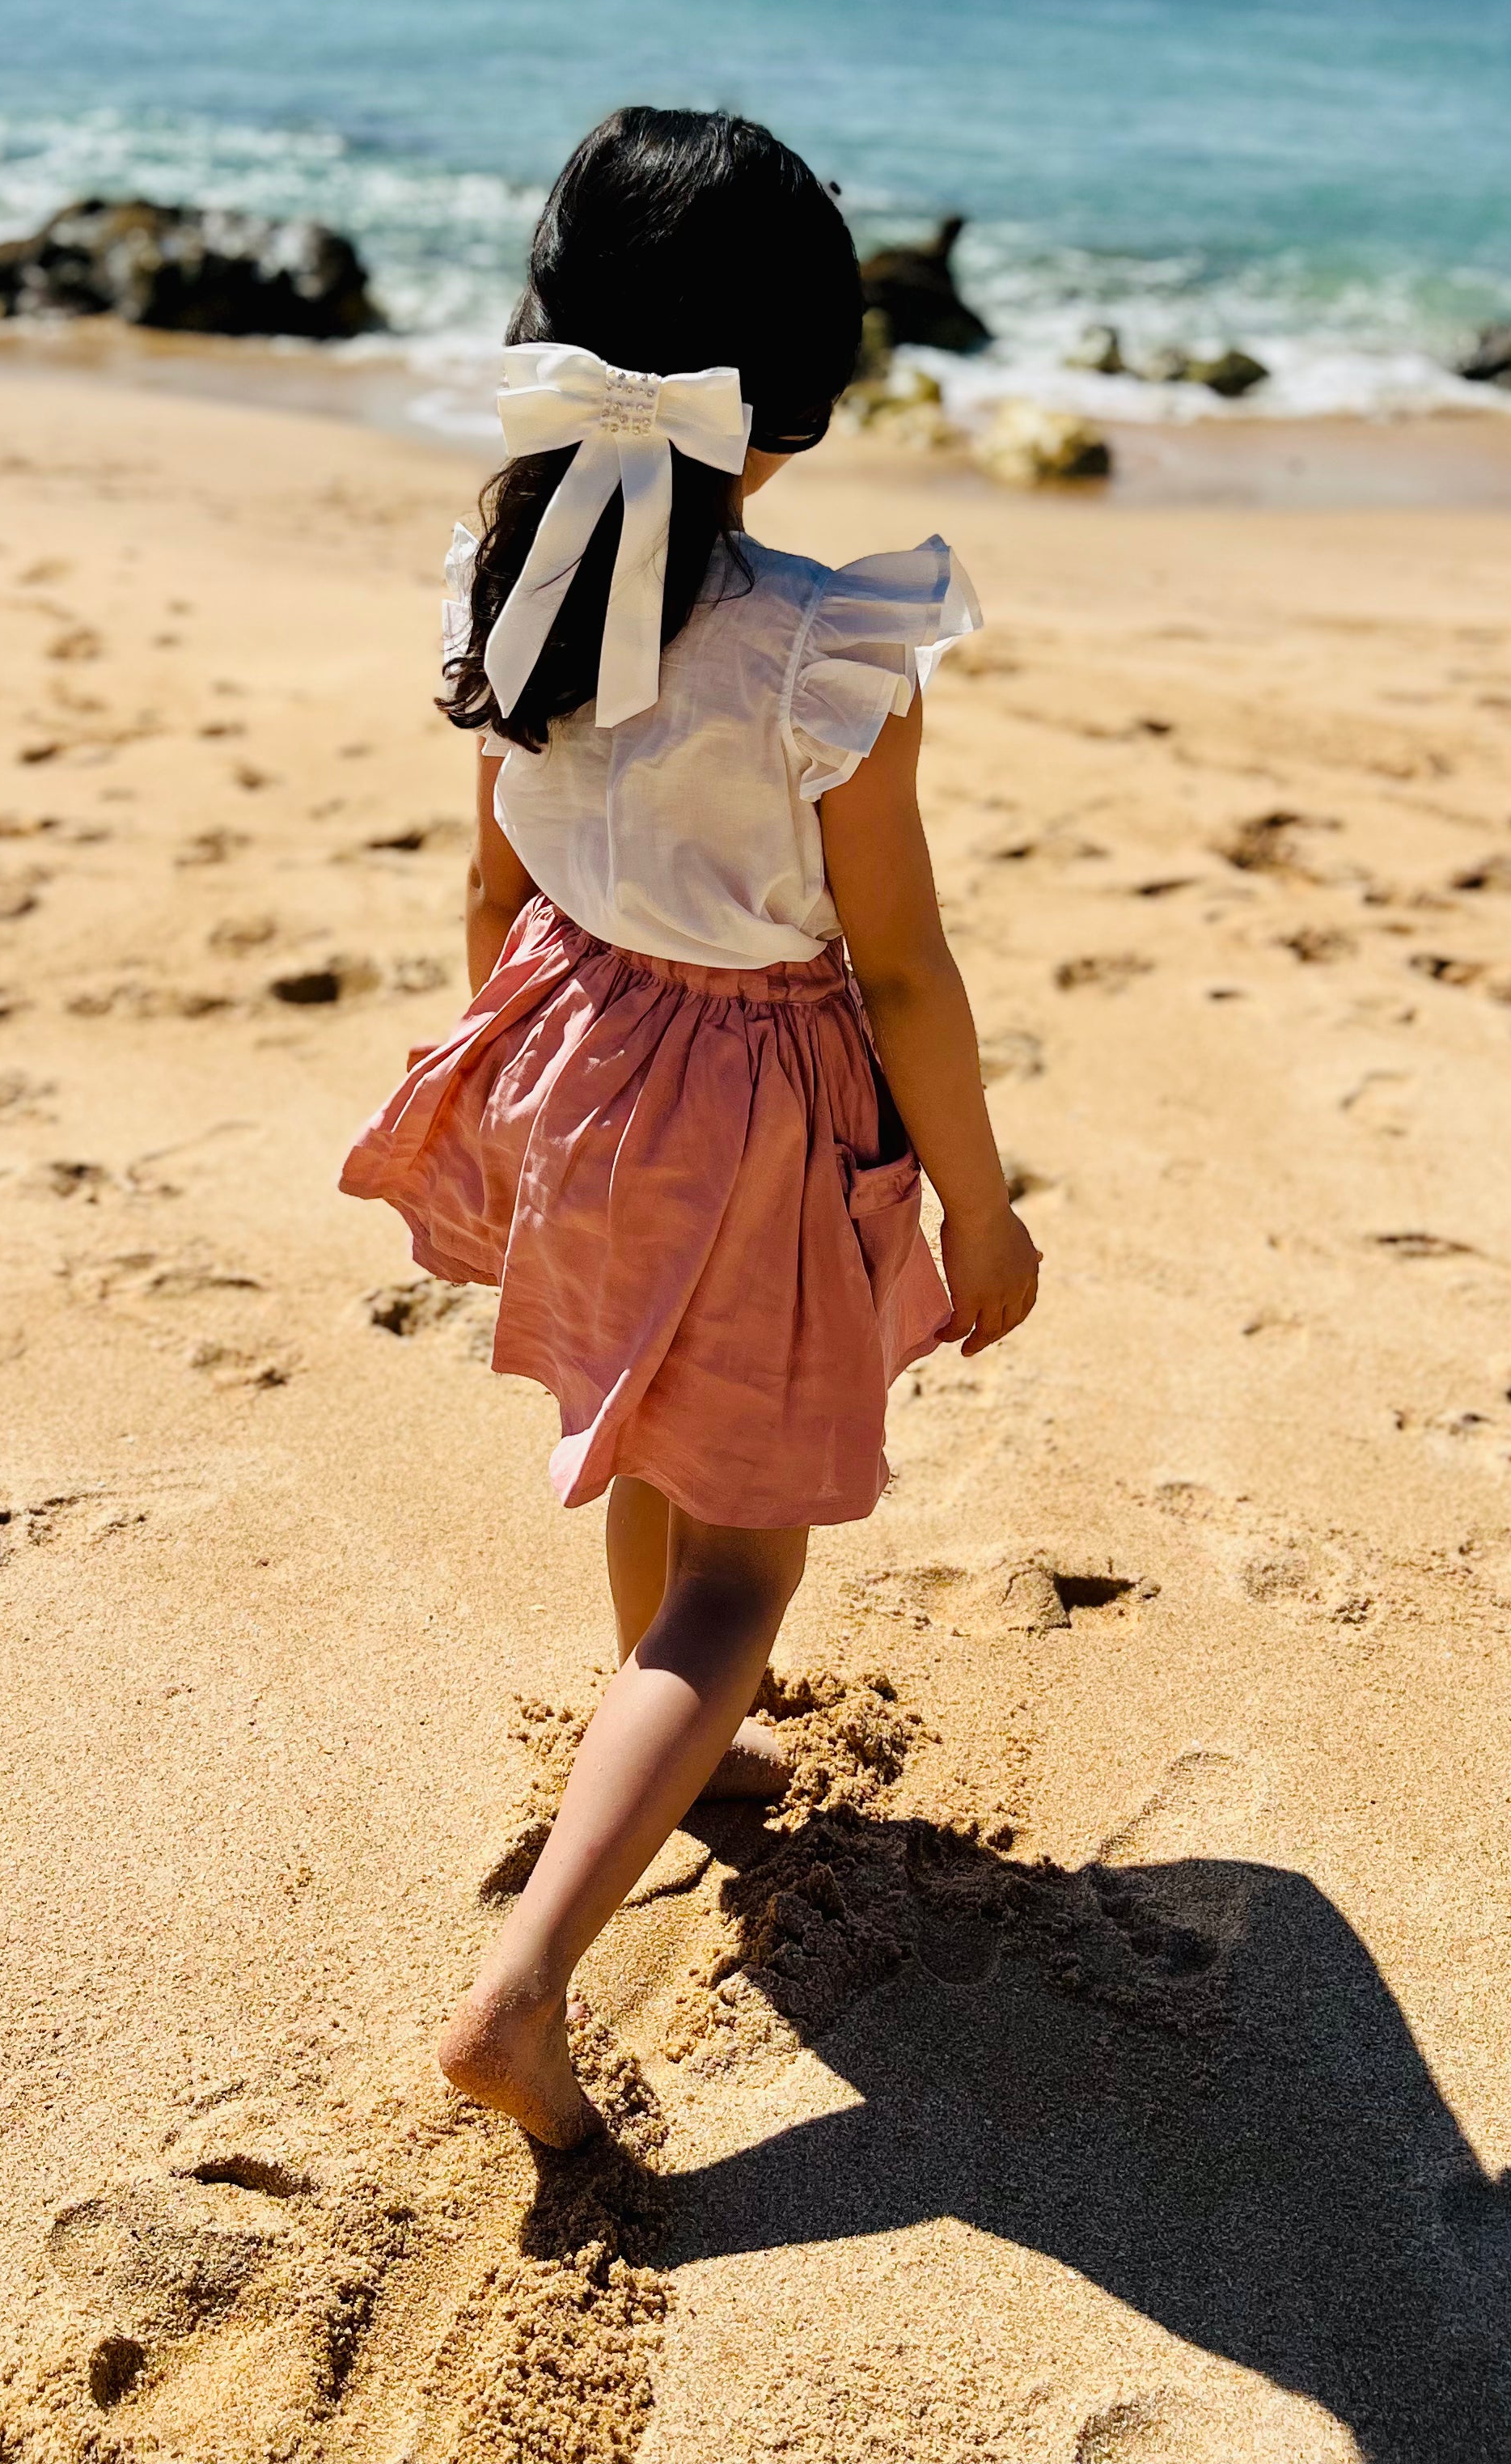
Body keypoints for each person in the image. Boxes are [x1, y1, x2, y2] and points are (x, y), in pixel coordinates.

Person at [341, 105, 1041, 2147]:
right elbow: (902, 973)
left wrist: (507, 1052)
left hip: (573, 1052)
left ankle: (686, 1740)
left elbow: (494, 878)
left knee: (642, 1423)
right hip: (755, 1099)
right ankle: (524, 1987)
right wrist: (981, 1218)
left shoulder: (505, 574)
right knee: (746, 1561)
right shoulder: (828, 649)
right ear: (798, 397)